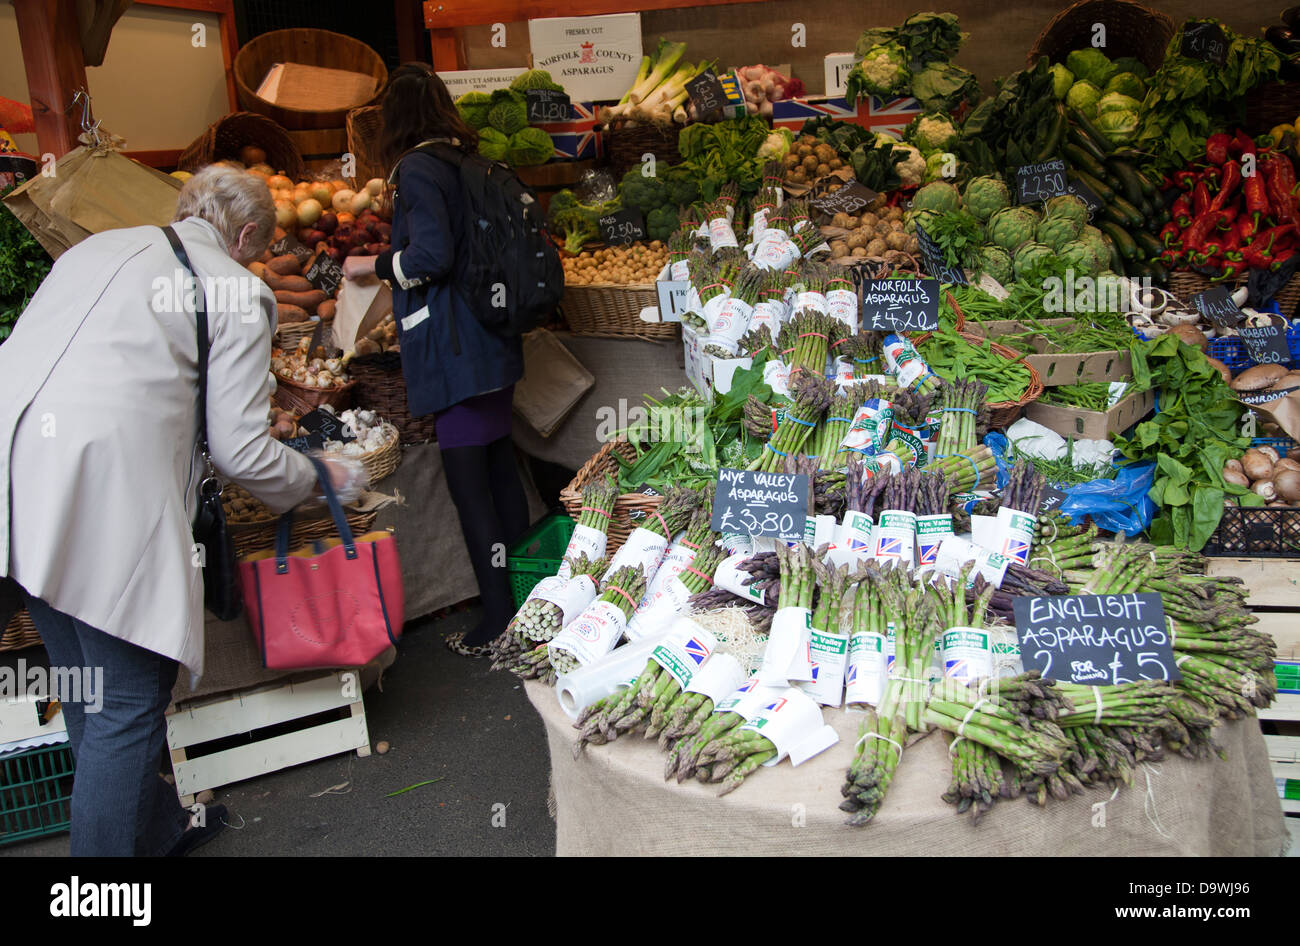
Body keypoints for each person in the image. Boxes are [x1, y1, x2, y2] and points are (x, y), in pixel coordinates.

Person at [0, 165, 358, 856]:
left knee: (89, 691)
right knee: (128, 704)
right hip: (92, 494)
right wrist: (316, 474)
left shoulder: (96, 249)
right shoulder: (235, 290)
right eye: (262, 247)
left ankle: (157, 833)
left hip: (16, 481)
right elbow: (242, 450)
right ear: (248, 231)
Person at [343, 63, 530, 658]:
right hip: (494, 339)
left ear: (392, 121)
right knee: (500, 472)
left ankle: (498, 619)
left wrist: (369, 268)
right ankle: (526, 602)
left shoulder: (418, 169)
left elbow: (430, 256)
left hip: (454, 350)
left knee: (470, 487)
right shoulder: (468, 162)